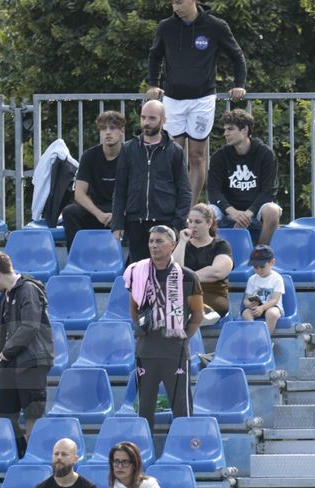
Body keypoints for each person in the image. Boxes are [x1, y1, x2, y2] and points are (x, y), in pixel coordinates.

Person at [147, 0, 246, 204]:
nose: (176, 8)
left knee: (196, 155)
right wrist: (153, 84)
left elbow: (237, 56)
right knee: (172, 154)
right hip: (173, 99)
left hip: (203, 98)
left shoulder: (216, 26)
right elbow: (155, 56)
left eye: (180, 2)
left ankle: (189, 209)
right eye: (172, 3)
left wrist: (240, 84)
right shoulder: (166, 26)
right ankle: (171, 204)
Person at [124, 225, 203, 431]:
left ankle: (185, 453)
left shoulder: (187, 276)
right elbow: (133, 310)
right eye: (151, 241)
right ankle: (144, 455)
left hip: (174, 352)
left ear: (173, 245)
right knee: (144, 410)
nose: (154, 245)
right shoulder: (138, 273)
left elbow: (197, 315)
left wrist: (183, 336)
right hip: (146, 351)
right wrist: (145, 326)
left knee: (182, 409)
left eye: (159, 241)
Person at [0, 252, 53, 457]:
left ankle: (31, 459)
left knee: (33, 414)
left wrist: (7, 351)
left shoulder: (28, 288)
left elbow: (30, 326)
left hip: (32, 361)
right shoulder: (4, 296)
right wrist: (2, 359)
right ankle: (22, 451)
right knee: (1, 413)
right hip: (9, 362)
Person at [112, 100, 191, 263]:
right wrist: (117, 222)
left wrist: (176, 224)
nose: (146, 122)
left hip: (165, 221)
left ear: (163, 121)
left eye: (152, 118)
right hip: (136, 222)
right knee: (138, 273)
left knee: (164, 273)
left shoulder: (175, 151)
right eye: (143, 117)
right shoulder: (128, 149)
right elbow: (120, 189)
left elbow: (184, 191)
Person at [206, 109, 281, 246]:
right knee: (205, 212)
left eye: (230, 129)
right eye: (225, 129)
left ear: (245, 129)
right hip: (228, 210)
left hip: (256, 210)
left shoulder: (265, 154)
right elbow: (213, 191)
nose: (225, 133)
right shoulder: (220, 157)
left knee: (272, 211)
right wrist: (233, 212)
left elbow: (269, 191)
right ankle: (211, 254)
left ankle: (260, 256)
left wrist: (248, 213)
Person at [61, 110, 124, 246]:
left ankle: (132, 264)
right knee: (70, 212)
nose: (108, 132)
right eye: (103, 128)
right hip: (97, 210)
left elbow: (137, 193)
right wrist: (98, 214)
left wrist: (119, 214)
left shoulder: (130, 155)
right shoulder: (89, 156)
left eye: (112, 128)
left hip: (122, 211)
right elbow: (79, 193)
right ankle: (78, 258)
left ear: (121, 131)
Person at [174, 203, 233, 318]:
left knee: (185, 307)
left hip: (213, 296)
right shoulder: (183, 245)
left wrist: (186, 278)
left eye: (197, 222)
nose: (192, 226)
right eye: (190, 221)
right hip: (186, 295)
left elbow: (216, 272)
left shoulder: (221, 245)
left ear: (209, 223)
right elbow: (175, 271)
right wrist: (182, 242)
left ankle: (194, 314)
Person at [242, 245, 285, 334]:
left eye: (262, 267)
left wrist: (262, 308)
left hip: (272, 307)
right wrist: (249, 304)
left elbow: (275, 300)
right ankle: (253, 334)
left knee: (271, 314)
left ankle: (267, 338)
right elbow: (246, 299)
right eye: (255, 267)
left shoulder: (277, 278)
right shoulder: (252, 279)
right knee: (245, 313)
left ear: (272, 263)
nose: (259, 270)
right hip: (256, 308)